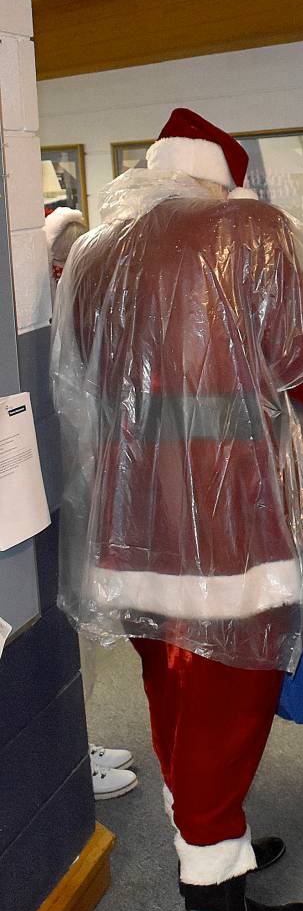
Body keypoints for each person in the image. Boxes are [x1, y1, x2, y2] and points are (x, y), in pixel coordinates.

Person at [52, 108, 303, 911]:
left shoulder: (95, 252)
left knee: (172, 689)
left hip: (132, 518)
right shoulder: (255, 233)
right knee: (230, 707)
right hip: (234, 518)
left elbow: (87, 368)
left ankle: (216, 846)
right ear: (226, 175)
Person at [46, 207, 140, 802]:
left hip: (62, 468)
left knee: (66, 620)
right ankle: (63, 749)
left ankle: (73, 735)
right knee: (55, 619)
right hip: (53, 465)